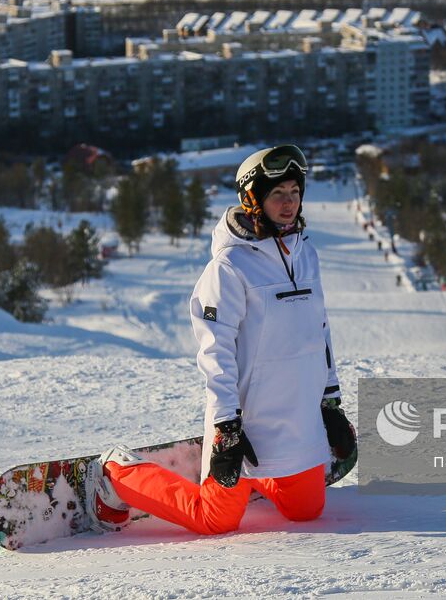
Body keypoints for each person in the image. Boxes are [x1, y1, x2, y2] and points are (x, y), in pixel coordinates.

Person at [86, 144, 356, 535]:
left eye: (295, 193)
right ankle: (118, 472)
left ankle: (257, 477)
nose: (289, 203)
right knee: (215, 521)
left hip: (298, 417)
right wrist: (227, 426)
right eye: (277, 194)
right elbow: (215, 351)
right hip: (247, 421)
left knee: (307, 510)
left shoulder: (305, 254)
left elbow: (321, 331)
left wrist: (330, 402)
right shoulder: (229, 267)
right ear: (253, 199)